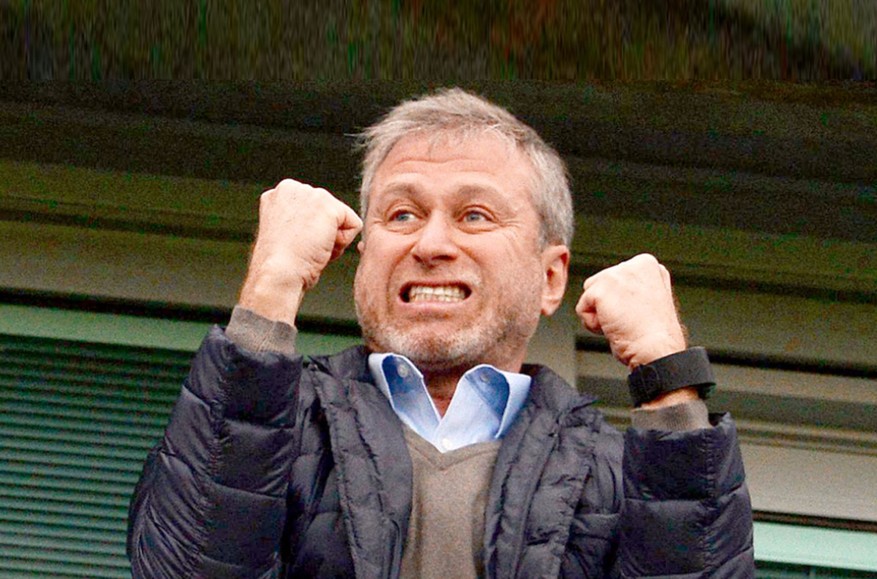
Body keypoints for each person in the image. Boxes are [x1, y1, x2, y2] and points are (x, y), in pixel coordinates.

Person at [127, 88, 754, 578]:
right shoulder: (281, 423)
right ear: (362, 256)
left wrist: (669, 381)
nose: (430, 244)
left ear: (550, 278)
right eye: (402, 214)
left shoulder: (610, 473)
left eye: (474, 215)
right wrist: (269, 290)